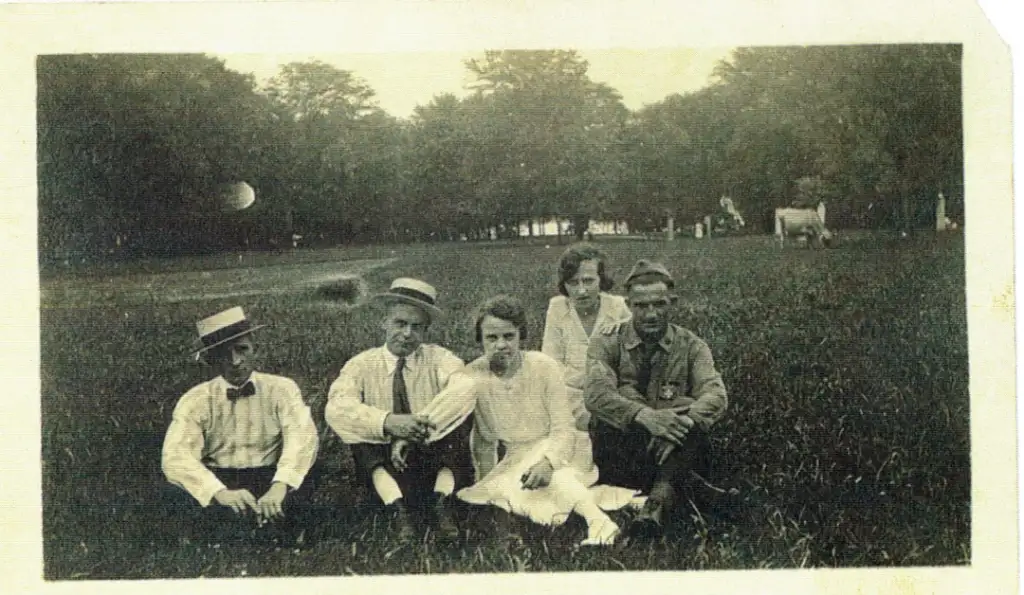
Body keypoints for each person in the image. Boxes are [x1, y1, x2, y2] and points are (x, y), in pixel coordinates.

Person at [418, 295, 641, 547]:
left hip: (561, 448)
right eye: (492, 338)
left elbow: (564, 429)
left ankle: (599, 523)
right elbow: (480, 438)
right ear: (480, 340)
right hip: (515, 457)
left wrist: (549, 462)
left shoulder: (543, 367)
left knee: (556, 477)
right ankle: (603, 506)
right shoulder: (473, 376)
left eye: (509, 336)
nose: (501, 345)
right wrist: (486, 476)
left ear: (520, 335)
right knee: (515, 496)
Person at [585, 260, 729, 537]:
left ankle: (654, 507)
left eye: (659, 304)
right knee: (612, 425)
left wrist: (682, 422)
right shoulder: (606, 342)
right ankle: (700, 493)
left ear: (672, 303)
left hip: (673, 443)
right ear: (628, 304)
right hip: (622, 446)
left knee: (692, 427)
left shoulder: (691, 346)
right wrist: (647, 418)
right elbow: (596, 393)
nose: (651, 314)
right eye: (641, 306)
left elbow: (715, 394)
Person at [324, 278, 471, 541]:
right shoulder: (361, 365)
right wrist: (388, 422)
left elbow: (465, 388)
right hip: (386, 463)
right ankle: (397, 509)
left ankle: (442, 503)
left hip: (431, 457)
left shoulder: (440, 359)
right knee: (360, 434)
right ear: (384, 322)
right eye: (400, 323)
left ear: (426, 331)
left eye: (416, 327)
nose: (407, 333)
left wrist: (414, 429)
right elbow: (336, 408)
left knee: (459, 422)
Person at [161, 306, 320, 546]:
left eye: (242, 349)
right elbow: (175, 456)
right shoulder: (196, 399)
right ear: (213, 359)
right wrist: (218, 492)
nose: (235, 361)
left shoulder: (282, 389)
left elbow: (302, 437)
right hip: (220, 479)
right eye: (225, 354)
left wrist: (279, 486)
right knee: (176, 492)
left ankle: (280, 533)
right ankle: (228, 533)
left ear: (254, 348)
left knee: (306, 479)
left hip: (270, 476)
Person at [541, 242, 632, 431]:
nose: (581, 290)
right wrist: (590, 380)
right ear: (564, 285)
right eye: (573, 283)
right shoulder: (557, 308)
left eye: (588, 281)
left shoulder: (617, 307)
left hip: (612, 392)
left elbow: (631, 361)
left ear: (602, 280)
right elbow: (551, 363)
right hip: (571, 394)